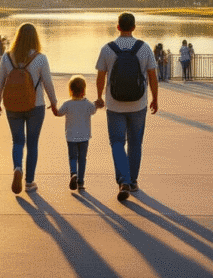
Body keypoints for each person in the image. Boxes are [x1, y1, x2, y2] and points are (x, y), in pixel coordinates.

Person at [95, 12, 158, 201]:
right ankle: (133, 181)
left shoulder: (107, 49)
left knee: (117, 143)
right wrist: (155, 98)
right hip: (138, 103)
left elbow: (100, 77)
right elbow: (153, 76)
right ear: (134, 27)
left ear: (118, 27)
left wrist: (99, 97)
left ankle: (123, 180)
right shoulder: (144, 48)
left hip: (114, 104)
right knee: (135, 143)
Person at [0, 23, 58, 195]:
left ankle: (17, 168)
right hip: (35, 106)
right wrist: (54, 103)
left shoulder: (7, 57)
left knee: (17, 141)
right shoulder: (40, 58)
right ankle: (29, 182)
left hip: (12, 105)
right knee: (32, 144)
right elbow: (48, 83)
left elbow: (0, 82)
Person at [57, 75, 96, 192]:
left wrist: (54, 106)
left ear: (70, 90)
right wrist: (97, 103)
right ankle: (80, 181)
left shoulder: (67, 104)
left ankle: (73, 173)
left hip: (71, 136)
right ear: (84, 90)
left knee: (73, 157)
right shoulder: (87, 104)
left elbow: (59, 113)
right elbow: (93, 110)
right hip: (84, 136)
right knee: (82, 158)